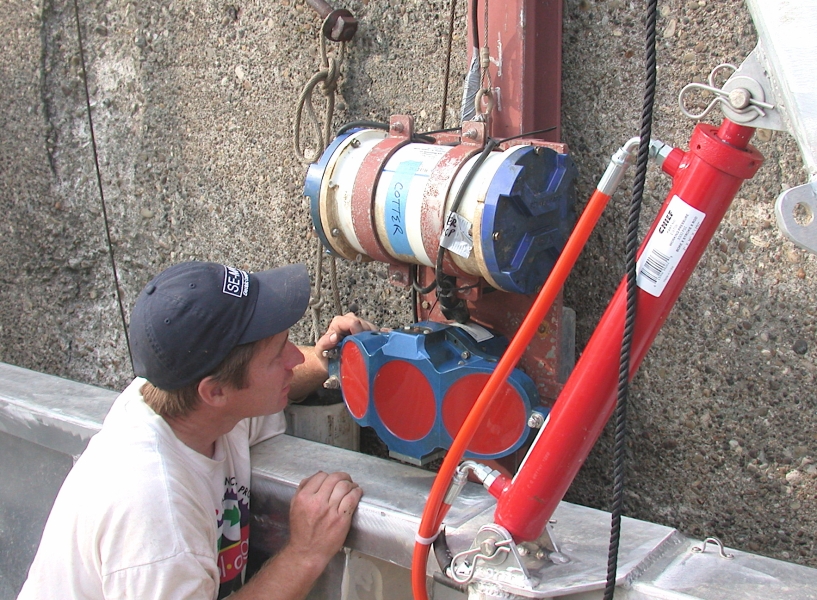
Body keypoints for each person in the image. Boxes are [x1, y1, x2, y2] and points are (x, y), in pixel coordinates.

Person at [18, 261, 378, 600]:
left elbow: (267, 385)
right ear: (215, 392)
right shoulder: (156, 515)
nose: (294, 359)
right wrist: (304, 554)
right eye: (276, 354)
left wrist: (325, 361)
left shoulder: (181, 400)